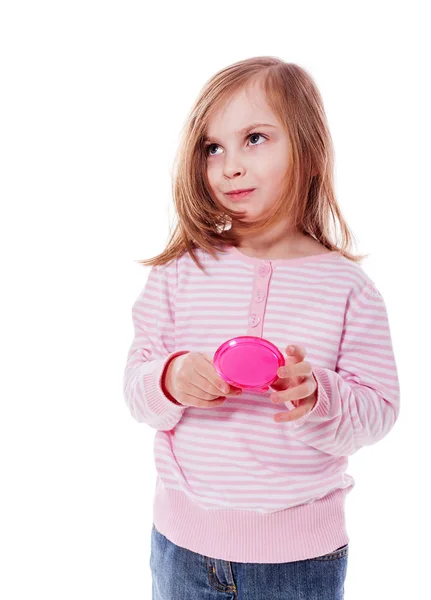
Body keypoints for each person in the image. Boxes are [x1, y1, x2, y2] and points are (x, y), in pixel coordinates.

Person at [122, 56, 400, 600]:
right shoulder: (181, 273)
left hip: (298, 561)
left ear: (312, 152)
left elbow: (380, 412)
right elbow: (136, 391)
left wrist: (319, 394)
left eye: (255, 138)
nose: (229, 166)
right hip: (181, 546)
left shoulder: (349, 289)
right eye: (213, 147)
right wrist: (169, 378)